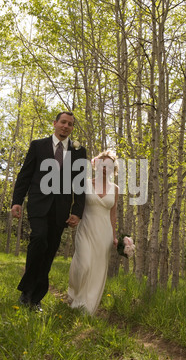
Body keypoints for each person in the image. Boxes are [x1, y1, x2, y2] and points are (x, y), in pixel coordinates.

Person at [11, 111, 87, 311]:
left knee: (49, 251)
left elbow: (80, 185)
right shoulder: (38, 146)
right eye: (63, 122)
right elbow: (25, 175)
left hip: (60, 210)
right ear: (55, 123)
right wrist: (16, 201)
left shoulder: (79, 151)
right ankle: (26, 292)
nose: (66, 126)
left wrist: (77, 211)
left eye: (70, 124)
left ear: (72, 128)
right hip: (38, 204)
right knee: (39, 239)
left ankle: (36, 299)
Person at [68, 150, 118, 315]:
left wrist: (114, 236)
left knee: (97, 270)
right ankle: (74, 292)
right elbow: (76, 203)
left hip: (104, 234)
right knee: (83, 265)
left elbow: (113, 213)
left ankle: (86, 308)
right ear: (96, 165)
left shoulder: (115, 189)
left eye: (109, 166)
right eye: (103, 164)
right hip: (86, 229)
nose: (105, 168)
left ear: (113, 169)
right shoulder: (86, 183)